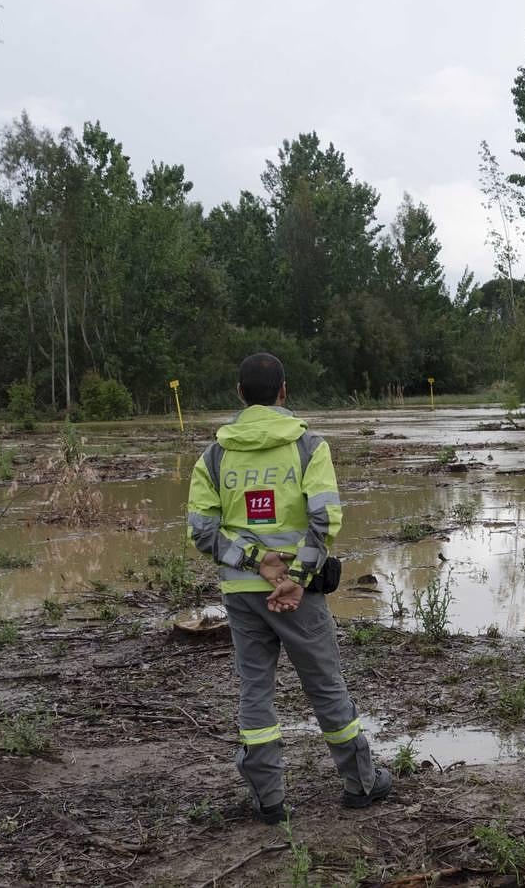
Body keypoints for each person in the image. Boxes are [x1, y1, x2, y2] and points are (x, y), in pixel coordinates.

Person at [188, 352, 391, 824]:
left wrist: (258, 563)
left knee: (254, 691)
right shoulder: (308, 446)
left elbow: (203, 531)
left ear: (239, 394)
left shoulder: (216, 454)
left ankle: (269, 800)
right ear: (284, 391)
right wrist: (294, 579)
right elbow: (324, 519)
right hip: (300, 596)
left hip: (242, 594)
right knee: (325, 685)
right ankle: (361, 784)